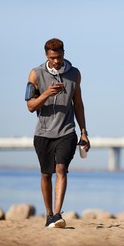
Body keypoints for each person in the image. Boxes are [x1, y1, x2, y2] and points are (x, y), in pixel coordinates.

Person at [26, 38, 90, 228]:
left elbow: (78, 105)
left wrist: (84, 132)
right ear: (46, 55)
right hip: (43, 133)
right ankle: (48, 216)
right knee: (46, 174)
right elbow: (30, 106)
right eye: (53, 57)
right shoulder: (35, 74)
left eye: (59, 56)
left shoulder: (74, 73)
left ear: (64, 53)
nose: (56, 61)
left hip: (67, 131)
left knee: (61, 169)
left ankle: (56, 214)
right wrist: (46, 94)